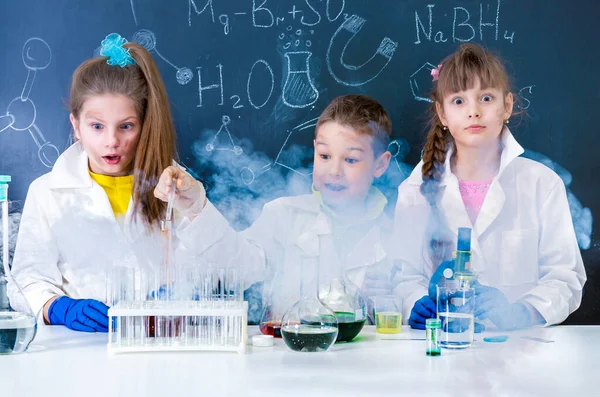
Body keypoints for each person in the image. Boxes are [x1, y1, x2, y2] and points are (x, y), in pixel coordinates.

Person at [8, 33, 262, 332]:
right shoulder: (48, 192)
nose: (111, 141)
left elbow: (246, 272)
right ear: (76, 126)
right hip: (80, 354)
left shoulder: (177, 188)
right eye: (97, 126)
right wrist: (59, 308)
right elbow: (26, 282)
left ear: (144, 125)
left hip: (166, 344)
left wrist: (196, 208)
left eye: (126, 126)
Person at [393, 43, 586, 330]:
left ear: (507, 105)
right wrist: (415, 300)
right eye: (458, 101)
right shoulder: (416, 188)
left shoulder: (542, 184)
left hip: (521, 350)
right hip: (442, 347)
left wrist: (522, 311)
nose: (473, 111)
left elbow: (564, 277)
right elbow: (403, 274)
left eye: (485, 98)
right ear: (442, 114)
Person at [242, 94, 396, 322]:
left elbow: (405, 320)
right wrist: (196, 209)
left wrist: (384, 303)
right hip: (291, 354)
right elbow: (235, 265)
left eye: (351, 160)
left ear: (380, 164)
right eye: (324, 156)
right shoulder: (283, 216)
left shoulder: (393, 232)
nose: (334, 170)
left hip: (365, 357)